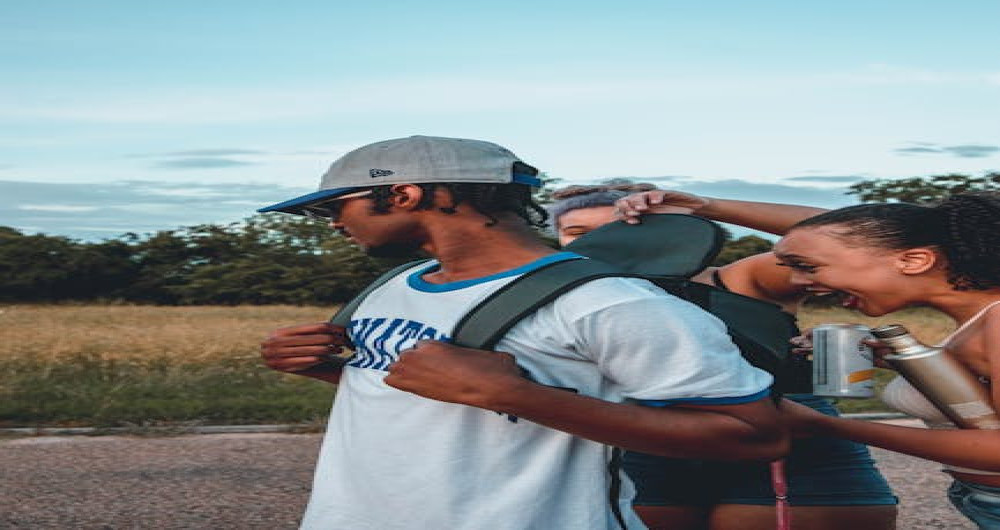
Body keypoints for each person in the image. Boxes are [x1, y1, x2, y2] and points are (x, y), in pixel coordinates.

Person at [257, 136, 787, 530]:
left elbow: (758, 436)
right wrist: (330, 369)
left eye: (333, 206)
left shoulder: (610, 301)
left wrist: (514, 395)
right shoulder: (395, 283)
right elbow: (432, 394)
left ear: (404, 194)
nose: (332, 222)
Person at [622, 188, 1000, 529]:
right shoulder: (974, 320)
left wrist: (826, 425)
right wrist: (904, 362)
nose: (798, 283)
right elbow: (862, 237)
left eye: (808, 268)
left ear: (915, 260)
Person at [551, 183, 898, 530]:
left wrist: (707, 206)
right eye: (577, 232)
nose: (603, 240)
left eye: (619, 227)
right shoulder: (554, 298)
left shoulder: (741, 279)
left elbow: (862, 236)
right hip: (648, 447)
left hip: (792, 438)